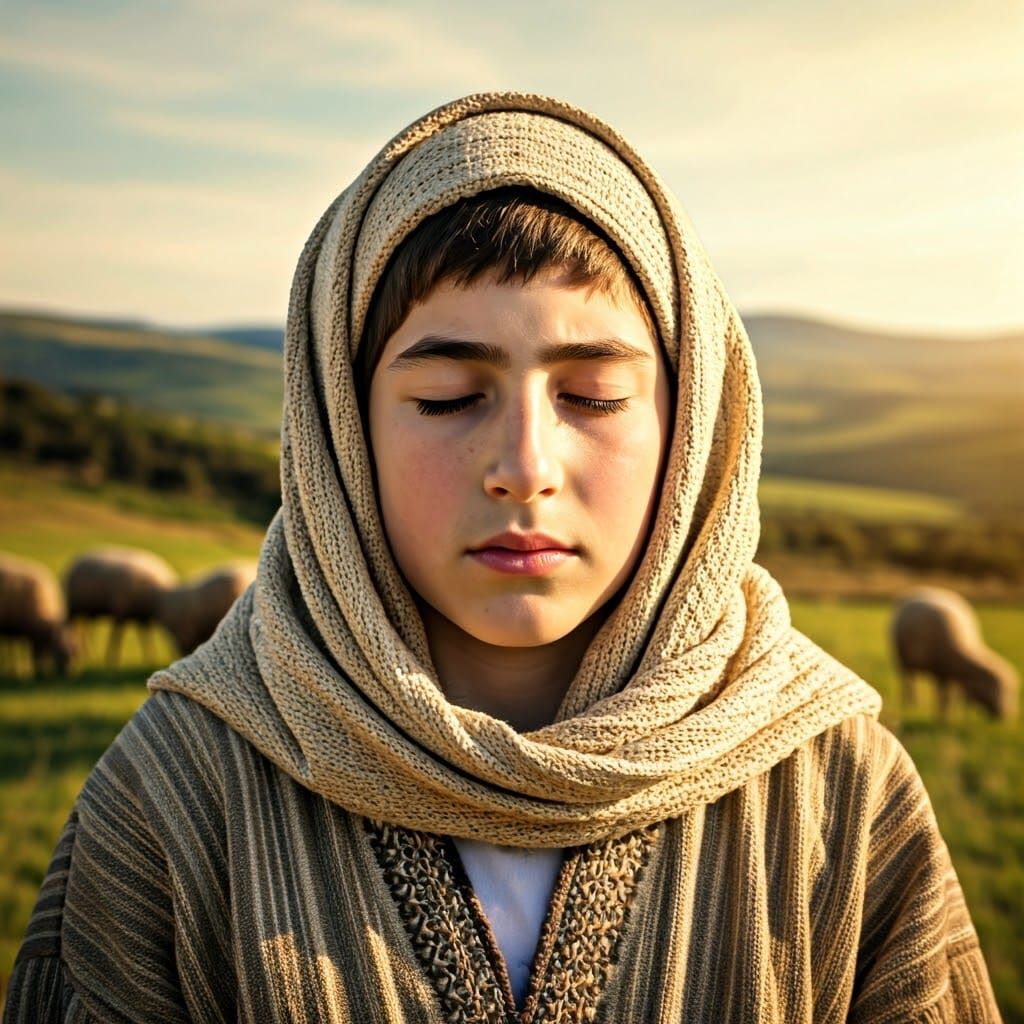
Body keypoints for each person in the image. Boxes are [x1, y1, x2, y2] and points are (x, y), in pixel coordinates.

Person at [4, 93, 1001, 1023]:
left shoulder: (838, 790)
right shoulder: (176, 796)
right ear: (341, 429)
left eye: (594, 394)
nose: (524, 467)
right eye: (445, 397)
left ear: (690, 424)